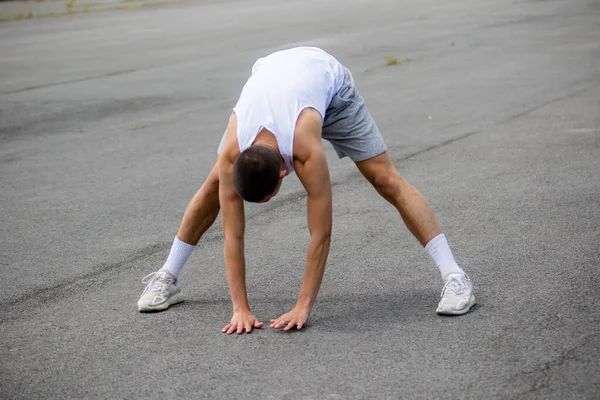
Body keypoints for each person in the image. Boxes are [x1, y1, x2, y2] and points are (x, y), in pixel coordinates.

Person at [137, 46, 475, 334]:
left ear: (286, 172)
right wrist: (239, 308)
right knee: (213, 186)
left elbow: (320, 234)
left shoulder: (306, 152)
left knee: (385, 179)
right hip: (274, 73)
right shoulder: (231, 151)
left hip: (328, 83)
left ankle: (455, 277)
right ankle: (168, 276)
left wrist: (303, 306)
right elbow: (232, 235)